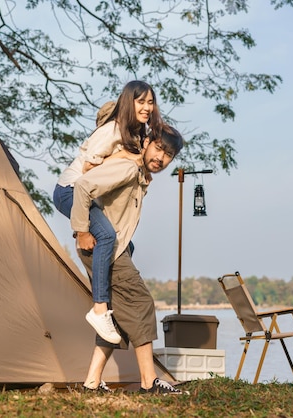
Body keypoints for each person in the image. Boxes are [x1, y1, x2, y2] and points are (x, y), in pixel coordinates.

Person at [71, 125, 186, 394]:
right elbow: (83, 186)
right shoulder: (127, 168)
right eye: (158, 148)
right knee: (140, 303)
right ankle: (149, 382)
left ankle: (91, 383)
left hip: (113, 248)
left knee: (118, 316)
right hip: (103, 248)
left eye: (168, 155)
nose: (161, 157)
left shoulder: (139, 174)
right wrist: (82, 231)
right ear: (145, 143)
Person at [53, 81, 163, 345]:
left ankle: (108, 293)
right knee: (106, 236)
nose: (147, 107)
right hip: (70, 190)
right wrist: (81, 231)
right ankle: (100, 307)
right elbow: (90, 169)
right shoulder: (112, 129)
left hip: (87, 196)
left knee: (127, 245)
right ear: (128, 102)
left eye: (150, 102)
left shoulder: (134, 135)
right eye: (141, 102)